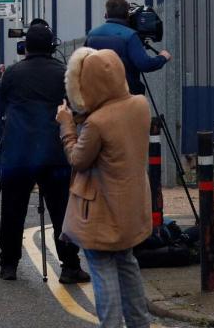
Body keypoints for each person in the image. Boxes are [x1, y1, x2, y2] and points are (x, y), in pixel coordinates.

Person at [58, 48, 152, 327]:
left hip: (101, 209)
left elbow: (78, 160)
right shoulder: (140, 105)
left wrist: (66, 126)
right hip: (131, 204)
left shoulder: (97, 123)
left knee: (101, 267)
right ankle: (139, 323)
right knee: (127, 262)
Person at [0, 22, 90, 284]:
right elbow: (76, 106)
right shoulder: (63, 73)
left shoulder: (12, 73)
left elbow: (4, 101)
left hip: (18, 152)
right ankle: (70, 266)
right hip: (54, 152)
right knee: (61, 211)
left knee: (12, 210)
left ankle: (9, 264)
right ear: (52, 46)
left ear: (26, 46)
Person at [85, 0, 172, 95]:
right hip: (125, 95)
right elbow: (144, 64)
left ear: (106, 14)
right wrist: (162, 57)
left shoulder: (92, 35)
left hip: (97, 95)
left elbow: (81, 64)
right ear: (127, 15)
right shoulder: (130, 36)